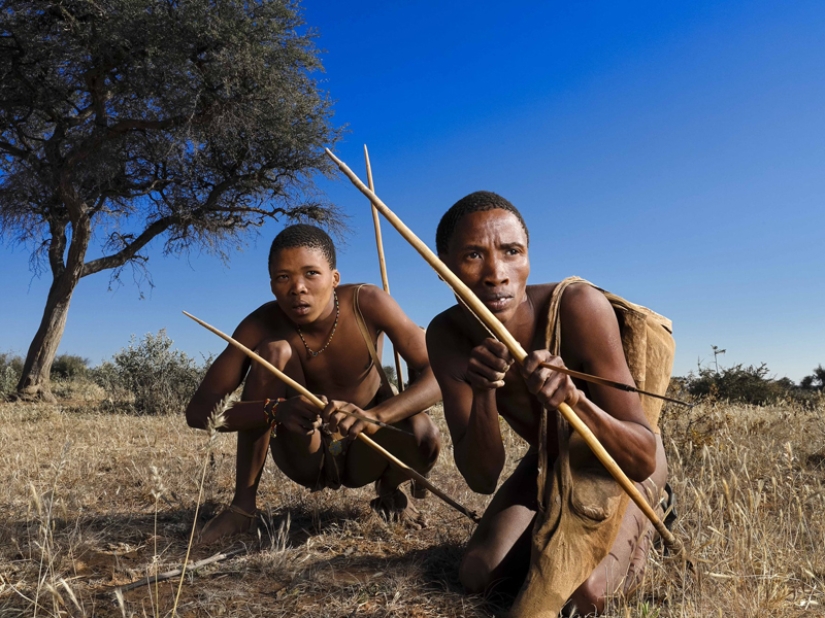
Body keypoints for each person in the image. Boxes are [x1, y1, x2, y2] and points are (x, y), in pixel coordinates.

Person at [426, 192, 668, 615]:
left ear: (528, 259)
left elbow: (643, 455)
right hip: (549, 463)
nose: (496, 273)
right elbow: (481, 478)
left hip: (616, 461)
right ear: (444, 269)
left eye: (511, 252)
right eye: (472, 256)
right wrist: (484, 391)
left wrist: (576, 400)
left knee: (588, 595)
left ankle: (649, 515)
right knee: (478, 574)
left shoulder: (576, 306)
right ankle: (555, 526)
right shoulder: (447, 335)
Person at [186, 224, 441, 543]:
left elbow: (439, 372)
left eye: (311, 274)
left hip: (366, 448)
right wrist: (274, 411)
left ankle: (389, 491)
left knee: (425, 434)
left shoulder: (367, 303)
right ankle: (242, 508)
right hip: (304, 452)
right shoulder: (260, 324)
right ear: (272, 285)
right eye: (283, 278)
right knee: (274, 351)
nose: (298, 288)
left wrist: (377, 416)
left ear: (334, 278)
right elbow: (198, 413)